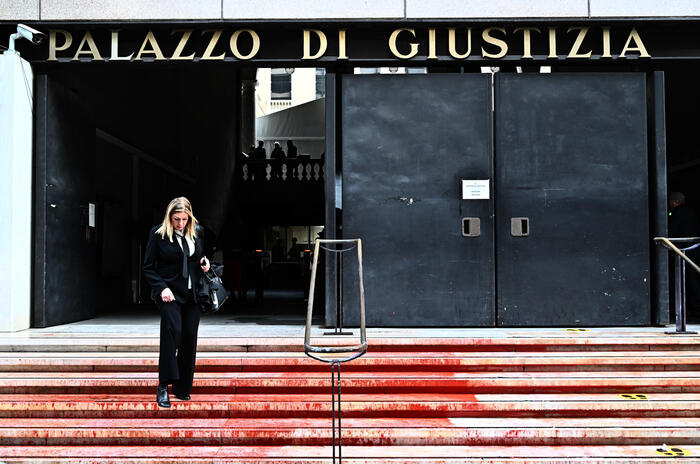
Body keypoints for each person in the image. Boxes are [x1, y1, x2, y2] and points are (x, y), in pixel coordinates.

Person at [143, 197, 210, 408]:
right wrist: (161, 288)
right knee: (172, 334)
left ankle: (182, 388)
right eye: (176, 219)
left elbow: (198, 257)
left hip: (192, 295)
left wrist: (205, 264)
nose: (180, 223)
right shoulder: (158, 234)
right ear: (169, 217)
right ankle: (163, 386)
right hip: (169, 293)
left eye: (183, 219)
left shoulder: (197, 232)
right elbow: (148, 267)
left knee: (189, 337)